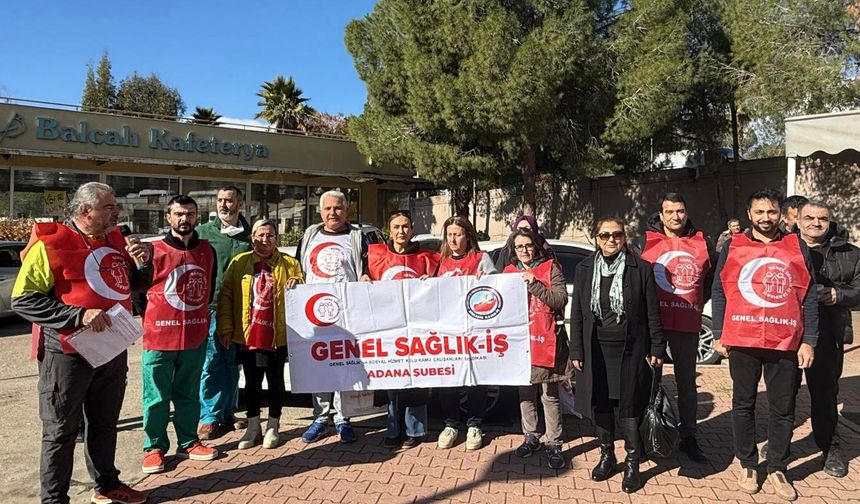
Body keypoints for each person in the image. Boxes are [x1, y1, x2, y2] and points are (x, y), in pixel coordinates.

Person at [12, 182, 150, 504]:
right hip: (67, 356)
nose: (116, 212)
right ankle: (55, 500)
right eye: (109, 207)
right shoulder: (50, 243)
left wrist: (145, 263)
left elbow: (135, 286)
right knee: (60, 432)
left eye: (115, 206)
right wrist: (78, 315)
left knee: (104, 424)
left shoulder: (116, 241)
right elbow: (23, 300)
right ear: (85, 210)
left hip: (111, 351)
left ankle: (107, 485)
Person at [712, 188, 818, 501]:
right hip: (742, 341)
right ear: (749, 214)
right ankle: (748, 463)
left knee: (783, 408)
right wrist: (718, 332)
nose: (766, 218)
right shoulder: (733, 245)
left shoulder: (796, 245)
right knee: (743, 404)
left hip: (785, 341)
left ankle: (777, 467)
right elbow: (720, 291)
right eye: (760, 212)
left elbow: (808, 294)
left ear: (781, 213)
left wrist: (809, 340)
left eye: (772, 211)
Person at [570, 216, 665, 493]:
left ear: (624, 237)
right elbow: (577, 314)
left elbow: (652, 314)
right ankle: (607, 456)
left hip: (631, 350)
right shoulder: (584, 269)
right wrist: (576, 348)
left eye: (617, 235)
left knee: (629, 406)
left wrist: (657, 348)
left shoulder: (641, 269)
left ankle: (633, 462)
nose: (611, 240)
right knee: (601, 405)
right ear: (596, 239)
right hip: (595, 350)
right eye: (604, 235)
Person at [140, 195, 218, 474]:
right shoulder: (153, 250)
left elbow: (209, 286)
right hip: (159, 336)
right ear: (168, 217)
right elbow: (139, 291)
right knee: (156, 396)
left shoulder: (207, 250)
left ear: (197, 217)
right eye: (179, 214)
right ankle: (154, 447)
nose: (184, 219)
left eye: (190, 214)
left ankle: (188, 441)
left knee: (188, 392)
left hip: (195, 333)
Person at [641, 193, 715, 463]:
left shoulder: (701, 242)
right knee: (650, 381)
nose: (675, 216)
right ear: (661, 215)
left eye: (680, 211)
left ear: (686, 213)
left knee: (686, 383)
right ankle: (648, 433)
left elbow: (709, 282)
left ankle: (689, 436)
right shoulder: (646, 241)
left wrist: (695, 302)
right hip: (654, 324)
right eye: (669, 212)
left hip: (687, 323)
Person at [218, 219, 303, 449]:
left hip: (278, 335)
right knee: (252, 383)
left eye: (270, 235)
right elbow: (226, 296)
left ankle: (273, 426)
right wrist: (225, 327)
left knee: (275, 382)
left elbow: (303, 291)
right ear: (251, 237)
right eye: (260, 235)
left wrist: (299, 282)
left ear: (277, 238)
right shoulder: (239, 262)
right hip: (248, 335)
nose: (265, 240)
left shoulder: (289, 263)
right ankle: (253, 427)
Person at [296, 190, 369, 444]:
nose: (332, 213)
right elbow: (298, 268)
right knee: (318, 365)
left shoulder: (356, 237)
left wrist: (364, 277)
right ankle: (320, 417)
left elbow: (365, 269)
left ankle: (343, 418)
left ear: (346, 210)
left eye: (337, 208)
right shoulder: (310, 235)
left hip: (346, 313)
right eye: (327, 209)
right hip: (314, 313)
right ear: (320, 211)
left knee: (343, 365)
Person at [364, 210, 438, 449]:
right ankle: (393, 428)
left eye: (405, 226)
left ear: (412, 230)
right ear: (389, 230)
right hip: (388, 330)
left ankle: (415, 431)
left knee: (416, 381)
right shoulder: (376, 257)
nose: (401, 231)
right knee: (392, 381)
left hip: (418, 330)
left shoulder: (427, 258)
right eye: (396, 227)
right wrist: (364, 278)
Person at [796, 200, 860, 478]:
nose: (816, 223)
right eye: (809, 217)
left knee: (824, 394)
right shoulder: (782, 247)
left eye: (822, 218)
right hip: (787, 333)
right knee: (783, 395)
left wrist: (838, 295)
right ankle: (779, 446)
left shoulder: (849, 252)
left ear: (830, 220)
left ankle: (830, 447)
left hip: (827, 332)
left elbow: (859, 289)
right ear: (797, 221)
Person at [504, 229, 569, 470]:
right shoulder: (508, 273)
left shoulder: (551, 268)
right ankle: (531, 436)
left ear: (536, 247)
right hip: (520, 344)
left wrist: (535, 284)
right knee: (525, 393)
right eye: (519, 246)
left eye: (528, 245)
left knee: (550, 394)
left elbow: (560, 300)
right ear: (514, 249)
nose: (524, 250)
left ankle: (554, 443)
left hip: (547, 340)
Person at [434, 215, 497, 451]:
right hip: (448, 331)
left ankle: (474, 424)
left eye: (458, 234)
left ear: (468, 235)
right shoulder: (441, 261)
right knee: (449, 377)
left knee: (475, 377)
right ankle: (451, 424)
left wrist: (489, 281)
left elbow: (498, 291)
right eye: (449, 234)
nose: (453, 238)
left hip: (475, 331)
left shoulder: (481, 259)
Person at [197, 185, 252, 440]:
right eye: (220, 200)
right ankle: (209, 416)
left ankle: (228, 412)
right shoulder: (203, 234)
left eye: (229, 201)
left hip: (241, 311)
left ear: (239, 204)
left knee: (232, 363)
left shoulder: (249, 235)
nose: (223, 205)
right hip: (212, 308)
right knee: (211, 362)